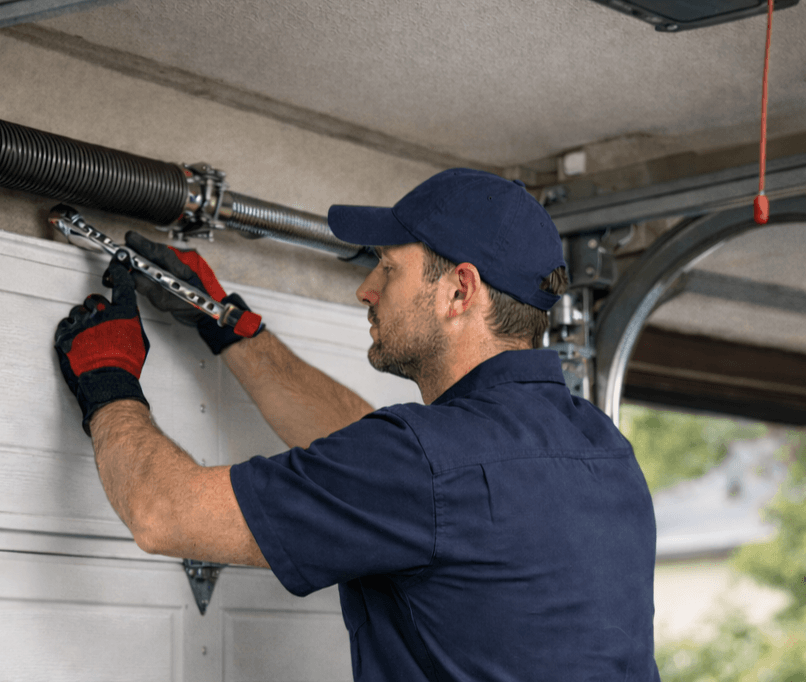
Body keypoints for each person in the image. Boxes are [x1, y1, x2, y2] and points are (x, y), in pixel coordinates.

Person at [55, 168, 660, 681]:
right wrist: (230, 326)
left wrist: (108, 379)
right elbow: (381, 461)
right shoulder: (603, 450)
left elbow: (165, 514)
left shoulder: (422, 465)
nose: (364, 290)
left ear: (459, 290)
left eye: (387, 268)